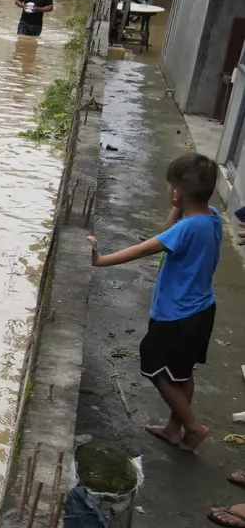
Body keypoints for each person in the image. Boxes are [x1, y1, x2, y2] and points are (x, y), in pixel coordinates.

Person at [90, 153, 224, 455]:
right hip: (202, 310)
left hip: (176, 314)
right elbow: (169, 229)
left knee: (154, 367)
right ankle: (174, 428)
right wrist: (177, 209)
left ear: (176, 192)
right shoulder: (212, 217)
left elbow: (142, 249)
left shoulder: (185, 229)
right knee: (182, 372)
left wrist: (100, 261)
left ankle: (193, 426)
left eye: (170, 186)